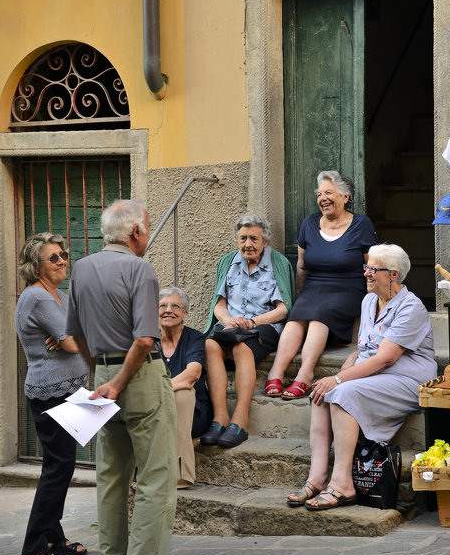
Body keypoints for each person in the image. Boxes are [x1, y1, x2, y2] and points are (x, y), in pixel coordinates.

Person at [66, 200, 179, 555]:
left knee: (111, 477)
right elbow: (146, 338)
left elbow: (76, 334)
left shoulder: (80, 268)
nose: (147, 235)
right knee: (155, 477)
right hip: (139, 376)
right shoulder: (139, 268)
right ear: (135, 232)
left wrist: (101, 373)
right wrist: (119, 380)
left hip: (101, 377)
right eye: (146, 229)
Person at [286, 243, 437, 510]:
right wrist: (345, 367)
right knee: (321, 393)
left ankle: (343, 483)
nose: (366, 273)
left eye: (373, 269)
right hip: (376, 376)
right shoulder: (369, 300)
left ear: (393, 274)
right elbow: (365, 349)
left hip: (407, 380)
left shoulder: (410, 307)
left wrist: (341, 379)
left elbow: (386, 357)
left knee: (342, 392)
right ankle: (317, 477)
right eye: (366, 267)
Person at [265, 170, 378, 400]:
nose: (322, 198)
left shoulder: (361, 224)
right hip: (314, 287)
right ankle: (276, 371)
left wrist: (375, 301)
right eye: (319, 194)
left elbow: (372, 266)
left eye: (328, 192)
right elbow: (302, 266)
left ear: (345, 197)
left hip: (347, 288)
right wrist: (299, 296)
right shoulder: (309, 223)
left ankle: (305, 374)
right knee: (298, 317)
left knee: (318, 316)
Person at [16, 233, 90, 555]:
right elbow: (75, 343)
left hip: (71, 390)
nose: (62, 260)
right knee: (57, 468)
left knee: (62, 465)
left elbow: (80, 333)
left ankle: (52, 537)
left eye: (63, 254)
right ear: (36, 267)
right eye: (54, 257)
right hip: (51, 392)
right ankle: (33, 549)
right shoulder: (35, 297)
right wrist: (71, 338)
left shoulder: (59, 294)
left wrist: (73, 336)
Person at [201, 213, 295, 448]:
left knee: (243, 348)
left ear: (265, 241)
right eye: (243, 238)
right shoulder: (228, 262)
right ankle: (220, 417)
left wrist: (253, 323)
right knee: (211, 345)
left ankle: (240, 419)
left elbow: (283, 309)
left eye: (254, 238)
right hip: (231, 325)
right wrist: (229, 320)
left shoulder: (279, 264)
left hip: (264, 326)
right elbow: (219, 304)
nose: (248, 244)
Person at [158, 287, 212, 489]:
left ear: (185, 314)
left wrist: (160, 391)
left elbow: (192, 375)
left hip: (192, 413)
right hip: (157, 408)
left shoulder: (194, 338)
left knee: (181, 394)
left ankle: (180, 474)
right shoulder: (149, 340)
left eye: (175, 306)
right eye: (162, 305)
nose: (168, 310)